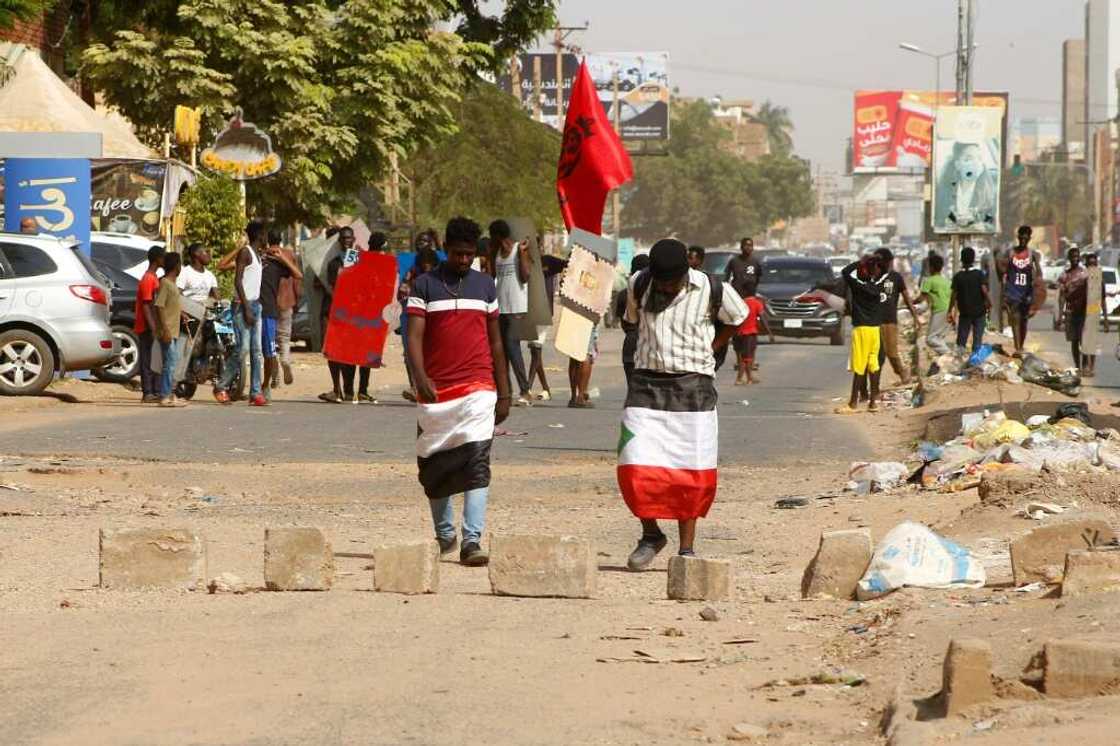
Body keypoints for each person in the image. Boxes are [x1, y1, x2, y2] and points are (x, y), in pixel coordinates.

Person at [619, 239, 748, 569]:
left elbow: (738, 316)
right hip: (645, 385)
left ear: (685, 273)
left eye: (670, 282)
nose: (664, 286)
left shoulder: (710, 288)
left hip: (693, 387)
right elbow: (630, 320)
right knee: (634, 465)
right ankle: (651, 535)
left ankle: (686, 550)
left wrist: (712, 348)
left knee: (690, 473)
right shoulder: (639, 284)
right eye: (660, 280)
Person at [406, 217, 511, 567]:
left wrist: (505, 389)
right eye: (457, 254)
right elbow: (414, 337)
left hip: (479, 388)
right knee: (434, 463)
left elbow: (497, 341)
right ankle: (445, 534)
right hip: (437, 392)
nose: (464, 260)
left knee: (477, 460)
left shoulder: (486, 287)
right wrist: (419, 377)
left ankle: (472, 540)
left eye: (469, 254)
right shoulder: (424, 285)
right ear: (445, 250)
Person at [214, 222, 265, 406]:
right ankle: (221, 386)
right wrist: (246, 308)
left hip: (256, 305)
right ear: (260, 235)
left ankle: (255, 393)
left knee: (256, 351)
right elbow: (238, 281)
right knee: (242, 349)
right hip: (243, 306)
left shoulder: (258, 255)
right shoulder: (246, 252)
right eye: (264, 234)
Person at [489, 220, 533, 406]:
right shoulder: (496, 253)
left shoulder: (518, 249)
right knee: (501, 351)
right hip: (501, 308)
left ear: (499, 236)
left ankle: (525, 391)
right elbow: (492, 277)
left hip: (516, 308)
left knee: (512, 348)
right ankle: (505, 390)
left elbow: (525, 276)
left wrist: (522, 254)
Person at [837, 255, 886, 413]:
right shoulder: (878, 287)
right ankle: (873, 402)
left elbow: (845, 272)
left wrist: (860, 262)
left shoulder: (858, 286)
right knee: (873, 365)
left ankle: (853, 403)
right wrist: (871, 265)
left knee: (859, 366)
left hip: (861, 330)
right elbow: (882, 271)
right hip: (875, 330)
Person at [259, 229, 303, 403]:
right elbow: (297, 278)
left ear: (268, 240)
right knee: (284, 338)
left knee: (270, 344)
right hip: (287, 301)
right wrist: (297, 300)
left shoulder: (263, 256)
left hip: (268, 301)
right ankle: (285, 360)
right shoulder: (289, 255)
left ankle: (275, 375)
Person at [318, 226, 359, 403]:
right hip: (335, 311)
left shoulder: (359, 261)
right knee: (333, 351)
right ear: (339, 241)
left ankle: (349, 389)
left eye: (349, 238)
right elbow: (334, 288)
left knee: (350, 353)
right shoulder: (334, 263)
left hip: (353, 313)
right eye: (343, 238)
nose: (346, 241)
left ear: (354, 239)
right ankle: (337, 389)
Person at [873, 248, 920, 384]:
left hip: (889, 320)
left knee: (891, 353)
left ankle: (903, 374)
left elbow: (907, 298)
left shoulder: (895, 277)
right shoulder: (872, 278)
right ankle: (874, 385)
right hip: (874, 321)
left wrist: (915, 317)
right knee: (877, 355)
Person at [400, 247, 440, 403]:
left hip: (432, 320)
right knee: (410, 354)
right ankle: (415, 386)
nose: (426, 266)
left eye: (429, 263)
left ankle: (428, 385)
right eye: (424, 264)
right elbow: (402, 292)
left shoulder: (438, 277)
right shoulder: (412, 274)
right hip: (414, 318)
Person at [526, 252, 567, 400]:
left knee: (536, 350)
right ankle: (546, 389)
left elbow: (567, 264)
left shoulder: (548, 261)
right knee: (535, 352)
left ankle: (527, 388)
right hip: (529, 312)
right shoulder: (523, 262)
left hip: (544, 311)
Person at [152, 252, 187, 407]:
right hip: (167, 331)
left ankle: (170, 394)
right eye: (180, 264)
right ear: (176, 266)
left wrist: (182, 314)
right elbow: (159, 306)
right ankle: (165, 395)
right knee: (170, 362)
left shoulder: (172, 284)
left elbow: (171, 305)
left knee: (173, 362)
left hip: (174, 330)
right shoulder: (165, 283)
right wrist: (165, 329)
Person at [1002, 225, 1042, 355]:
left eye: (1026, 238)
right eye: (1021, 237)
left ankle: (1021, 345)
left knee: (1024, 320)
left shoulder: (1033, 255)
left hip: (1026, 292)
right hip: (1013, 291)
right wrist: (1004, 293)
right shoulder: (1010, 253)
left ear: (1029, 238)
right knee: (1015, 319)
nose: (1023, 240)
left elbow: (1039, 275)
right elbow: (1004, 272)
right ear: (1018, 237)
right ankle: (1017, 347)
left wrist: (1036, 296)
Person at [133, 245, 165, 403]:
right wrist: (153, 327)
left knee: (155, 359)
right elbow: (147, 305)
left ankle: (155, 391)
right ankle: (148, 392)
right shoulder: (148, 279)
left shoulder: (154, 278)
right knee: (147, 359)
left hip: (152, 325)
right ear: (157, 259)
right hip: (146, 326)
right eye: (163, 257)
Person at [615, 254, 651, 386]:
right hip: (649, 345)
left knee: (633, 388)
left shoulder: (624, 294)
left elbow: (624, 322)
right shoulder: (655, 292)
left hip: (630, 343)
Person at [947, 246, 990, 354]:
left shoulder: (958, 277)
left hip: (965, 313)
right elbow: (984, 290)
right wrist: (989, 302)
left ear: (961, 259)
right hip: (979, 312)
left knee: (961, 341)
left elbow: (954, 295)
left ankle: (958, 361)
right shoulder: (979, 274)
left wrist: (949, 310)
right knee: (977, 340)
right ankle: (975, 363)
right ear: (973, 259)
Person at [734, 286, 772, 385]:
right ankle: (741, 378)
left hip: (738, 332)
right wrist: (769, 332)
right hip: (750, 333)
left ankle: (749, 377)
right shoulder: (756, 303)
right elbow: (763, 318)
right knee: (747, 357)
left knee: (744, 356)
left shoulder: (740, 303)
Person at [1081, 253, 1110, 377]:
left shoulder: (1100, 280)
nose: (1092, 266)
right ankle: (1084, 366)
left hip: (1094, 312)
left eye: (1094, 264)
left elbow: (1103, 300)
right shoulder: (1082, 278)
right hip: (1082, 312)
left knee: (1091, 341)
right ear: (1086, 265)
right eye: (1090, 264)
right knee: (1083, 341)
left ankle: (1091, 367)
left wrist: (1106, 319)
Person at [919, 254, 952, 357]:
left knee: (930, 339)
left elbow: (922, 297)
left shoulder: (928, 281)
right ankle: (945, 359)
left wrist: (911, 303)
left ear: (931, 267)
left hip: (939, 311)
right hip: (948, 309)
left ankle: (949, 354)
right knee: (939, 338)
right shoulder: (947, 281)